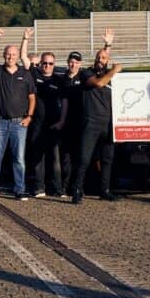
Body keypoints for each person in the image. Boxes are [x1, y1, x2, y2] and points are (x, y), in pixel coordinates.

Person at [0, 28, 36, 201]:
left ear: (17, 56)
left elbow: (32, 98)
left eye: (13, 54)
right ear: (4, 56)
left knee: (19, 160)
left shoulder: (25, 75)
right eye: (7, 54)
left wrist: (29, 117)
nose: (10, 57)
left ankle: (19, 190)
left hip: (19, 124)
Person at [69, 29, 120, 204]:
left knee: (107, 159)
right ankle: (77, 190)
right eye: (98, 58)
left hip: (108, 124)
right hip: (91, 122)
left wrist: (108, 45)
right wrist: (113, 70)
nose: (100, 61)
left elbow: (106, 63)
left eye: (103, 59)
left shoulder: (111, 78)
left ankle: (104, 190)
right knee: (84, 158)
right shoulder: (86, 74)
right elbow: (99, 83)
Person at [24, 40, 66, 198]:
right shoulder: (35, 75)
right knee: (37, 158)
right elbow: (23, 57)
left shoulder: (59, 80)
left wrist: (61, 121)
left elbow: (65, 102)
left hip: (54, 124)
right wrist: (26, 39)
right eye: (45, 63)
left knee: (55, 158)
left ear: (54, 64)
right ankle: (39, 187)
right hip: (37, 124)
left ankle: (57, 188)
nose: (47, 65)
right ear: (40, 64)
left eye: (50, 63)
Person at [58, 51, 85, 197]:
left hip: (81, 122)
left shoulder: (84, 77)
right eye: (71, 62)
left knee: (80, 156)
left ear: (80, 64)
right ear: (68, 62)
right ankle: (66, 186)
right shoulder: (62, 79)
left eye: (76, 62)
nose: (73, 64)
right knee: (66, 157)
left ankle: (79, 186)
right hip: (66, 123)